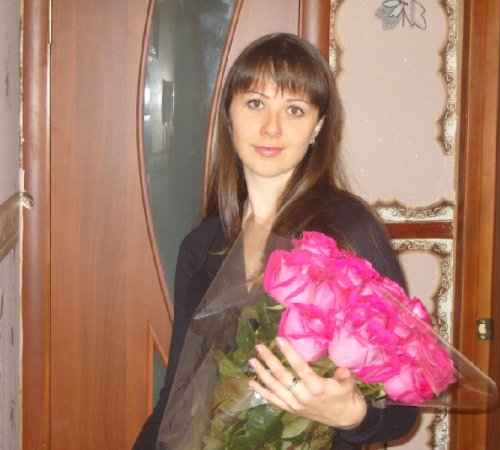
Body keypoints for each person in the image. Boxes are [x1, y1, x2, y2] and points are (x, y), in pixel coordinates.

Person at [133, 32, 418, 449]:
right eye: (255, 103)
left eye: (295, 110)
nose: (272, 127)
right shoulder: (201, 247)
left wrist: (352, 415)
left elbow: (402, 411)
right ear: (229, 114)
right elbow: (176, 397)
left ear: (317, 126)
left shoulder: (348, 232)